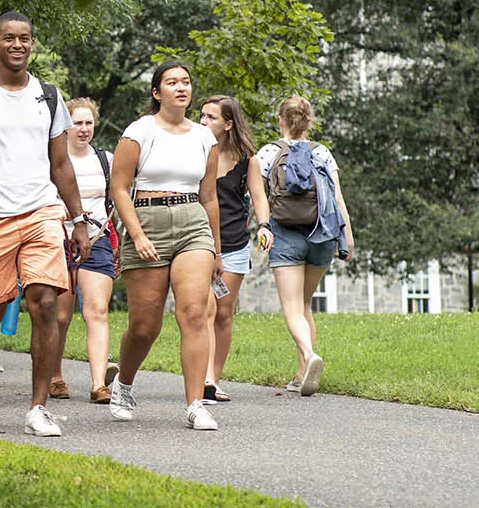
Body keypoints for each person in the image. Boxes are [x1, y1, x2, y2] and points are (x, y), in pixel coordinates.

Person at [0, 12, 92, 437]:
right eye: (9, 38)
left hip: (41, 210)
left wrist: (78, 219)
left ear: (32, 43)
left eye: (24, 38)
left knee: (45, 302)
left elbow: (60, 163)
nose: (18, 45)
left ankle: (38, 407)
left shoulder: (48, 95)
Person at [108, 60, 222, 431]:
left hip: (192, 223)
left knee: (193, 313)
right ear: (157, 93)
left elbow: (209, 198)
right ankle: (123, 384)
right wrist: (137, 234)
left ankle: (195, 404)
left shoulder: (206, 138)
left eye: (186, 82)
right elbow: (119, 188)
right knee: (145, 325)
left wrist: (215, 249)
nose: (181, 87)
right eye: (172, 82)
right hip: (147, 220)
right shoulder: (139, 131)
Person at [248, 95, 354, 397]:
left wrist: (263, 227)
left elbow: (257, 198)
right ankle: (301, 374)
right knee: (306, 304)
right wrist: (347, 237)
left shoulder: (268, 153)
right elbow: (337, 198)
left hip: (285, 233)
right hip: (321, 234)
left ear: (281, 119)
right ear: (309, 122)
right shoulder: (323, 153)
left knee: (292, 306)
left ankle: (308, 357)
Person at [48, 97, 121, 404]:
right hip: (59, 238)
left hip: (98, 237)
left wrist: (119, 239)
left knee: (97, 310)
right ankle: (54, 375)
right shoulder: (52, 159)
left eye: (88, 122)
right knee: (61, 315)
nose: (83, 129)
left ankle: (98, 384)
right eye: (77, 123)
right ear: (66, 125)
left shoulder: (106, 159)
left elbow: (116, 200)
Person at [198, 95, 262, 404]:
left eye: (210, 117)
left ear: (228, 124)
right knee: (206, 307)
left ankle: (214, 377)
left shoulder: (248, 158)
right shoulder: (193, 151)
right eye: (201, 116)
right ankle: (204, 378)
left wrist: (264, 225)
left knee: (223, 312)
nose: (203, 122)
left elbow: (259, 197)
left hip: (235, 243)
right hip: (199, 241)